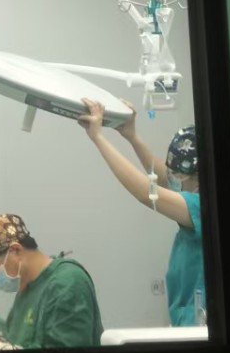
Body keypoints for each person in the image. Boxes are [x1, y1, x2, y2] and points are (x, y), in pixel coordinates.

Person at [79, 100, 205, 326]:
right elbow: (162, 175)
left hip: (196, 322)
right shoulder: (194, 192)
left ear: (193, 176)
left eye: (178, 176)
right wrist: (132, 137)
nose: (172, 180)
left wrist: (97, 137)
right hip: (185, 318)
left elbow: (146, 192)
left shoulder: (203, 207)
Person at [0, 213, 103, 349]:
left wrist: (5, 349)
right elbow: (16, 337)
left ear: (16, 250)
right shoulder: (27, 287)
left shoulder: (67, 284)